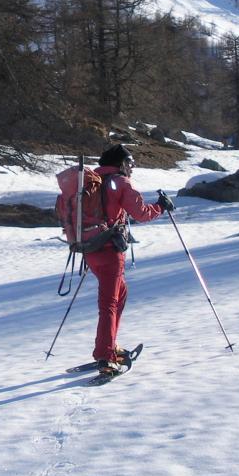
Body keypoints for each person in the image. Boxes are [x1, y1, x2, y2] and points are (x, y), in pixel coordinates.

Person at [87, 144, 174, 377]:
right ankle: (105, 355)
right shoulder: (120, 183)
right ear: (121, 163)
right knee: (109, 303)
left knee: (119, 294)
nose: (132, 168)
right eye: (131, 163)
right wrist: (161, 207)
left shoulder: (92, 182)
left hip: (90, 250)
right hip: (109, 251)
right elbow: (141, 213)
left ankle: (109, 345)